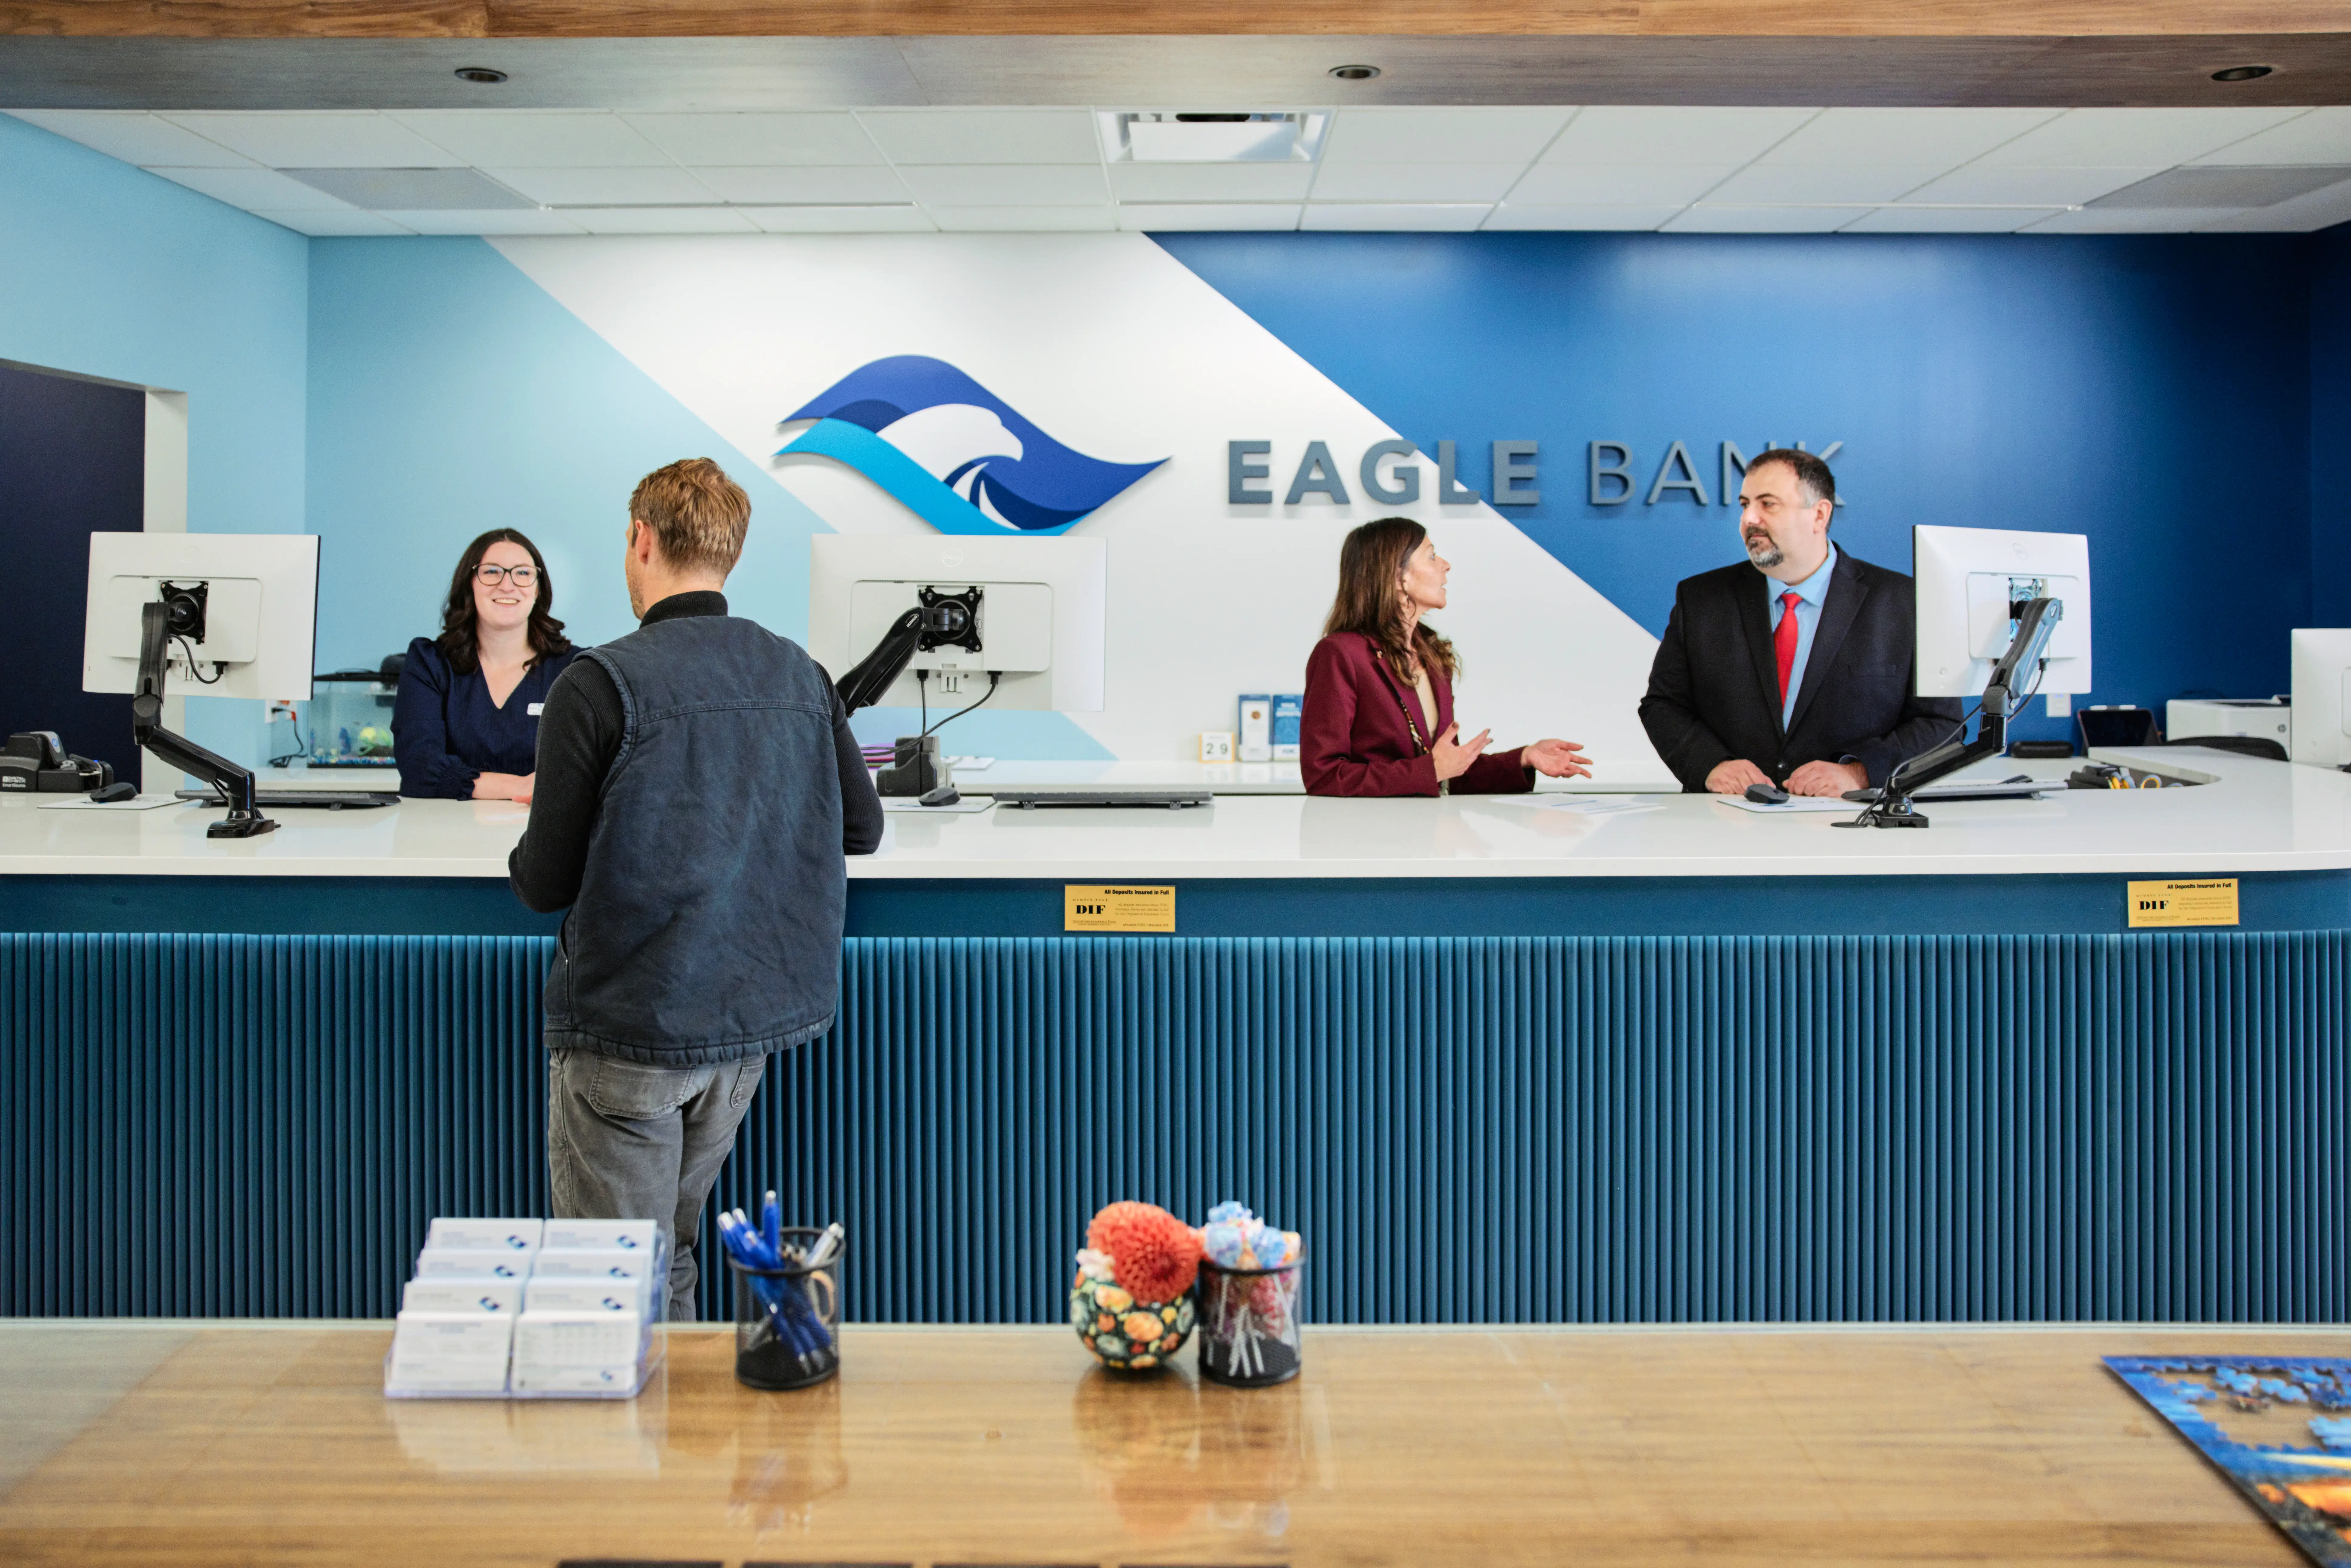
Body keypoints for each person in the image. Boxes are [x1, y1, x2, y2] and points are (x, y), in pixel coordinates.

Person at [508, 457, 884, 1322]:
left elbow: (544, 883)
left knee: (612, 1281)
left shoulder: (598, 683)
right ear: (732, 553)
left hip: (632, 1027)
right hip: (740, 1036)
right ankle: (675, 1446)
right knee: (665, 1257)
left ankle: (636, 1451)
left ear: (641, 540)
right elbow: (861, 829)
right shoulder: (801, 673)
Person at [1638, 448, 1961, 796]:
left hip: (1854, 826)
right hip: (1727, 823)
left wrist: (1861, 772)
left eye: (1768, 504)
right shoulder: (1701, 599)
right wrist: (1711, 765)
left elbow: (1942, 724)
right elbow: (1663, 706)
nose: (1750, 519)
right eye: (1745, 504)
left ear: (1819, 515)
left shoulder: (1903, 602)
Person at [1301, 516, 1592, 797]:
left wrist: (1524, 759)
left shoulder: (1432, 654)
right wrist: (1430, 770)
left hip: (1430, 838)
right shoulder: (1341, 654)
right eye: (1431, 556)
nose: (1446, 566)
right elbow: (1324, 777)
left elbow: (1446, 774)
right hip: (1371, 839)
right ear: (1398, 576)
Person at [394, 529, 578, 802]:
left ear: (538, 589)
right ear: (470, 584)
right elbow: (419, 767)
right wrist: (519, 788)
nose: (507, 585)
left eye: (523, 573)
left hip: (543, 834)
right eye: (492, 572)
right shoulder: (430, 663)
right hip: (442, 835)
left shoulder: (576, 669)